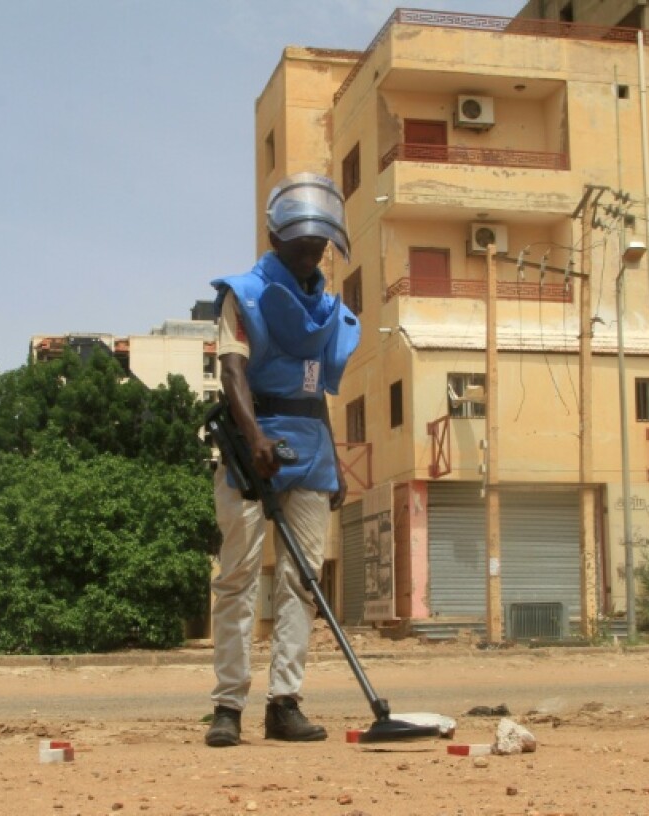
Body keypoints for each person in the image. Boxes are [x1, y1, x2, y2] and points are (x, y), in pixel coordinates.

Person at [204, 172, 360, 748]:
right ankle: (227, 707)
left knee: (304, 582)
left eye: (319, 246)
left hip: (310, 450)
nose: (312, 254)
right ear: (276, 239)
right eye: (301, 245)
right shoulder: (242, 295)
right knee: (240, 577)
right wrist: (254, 439)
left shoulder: (326, 311)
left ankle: (284, 702)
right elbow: (232, 371)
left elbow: (313, 392)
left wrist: (335, 463)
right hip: (252, 450)